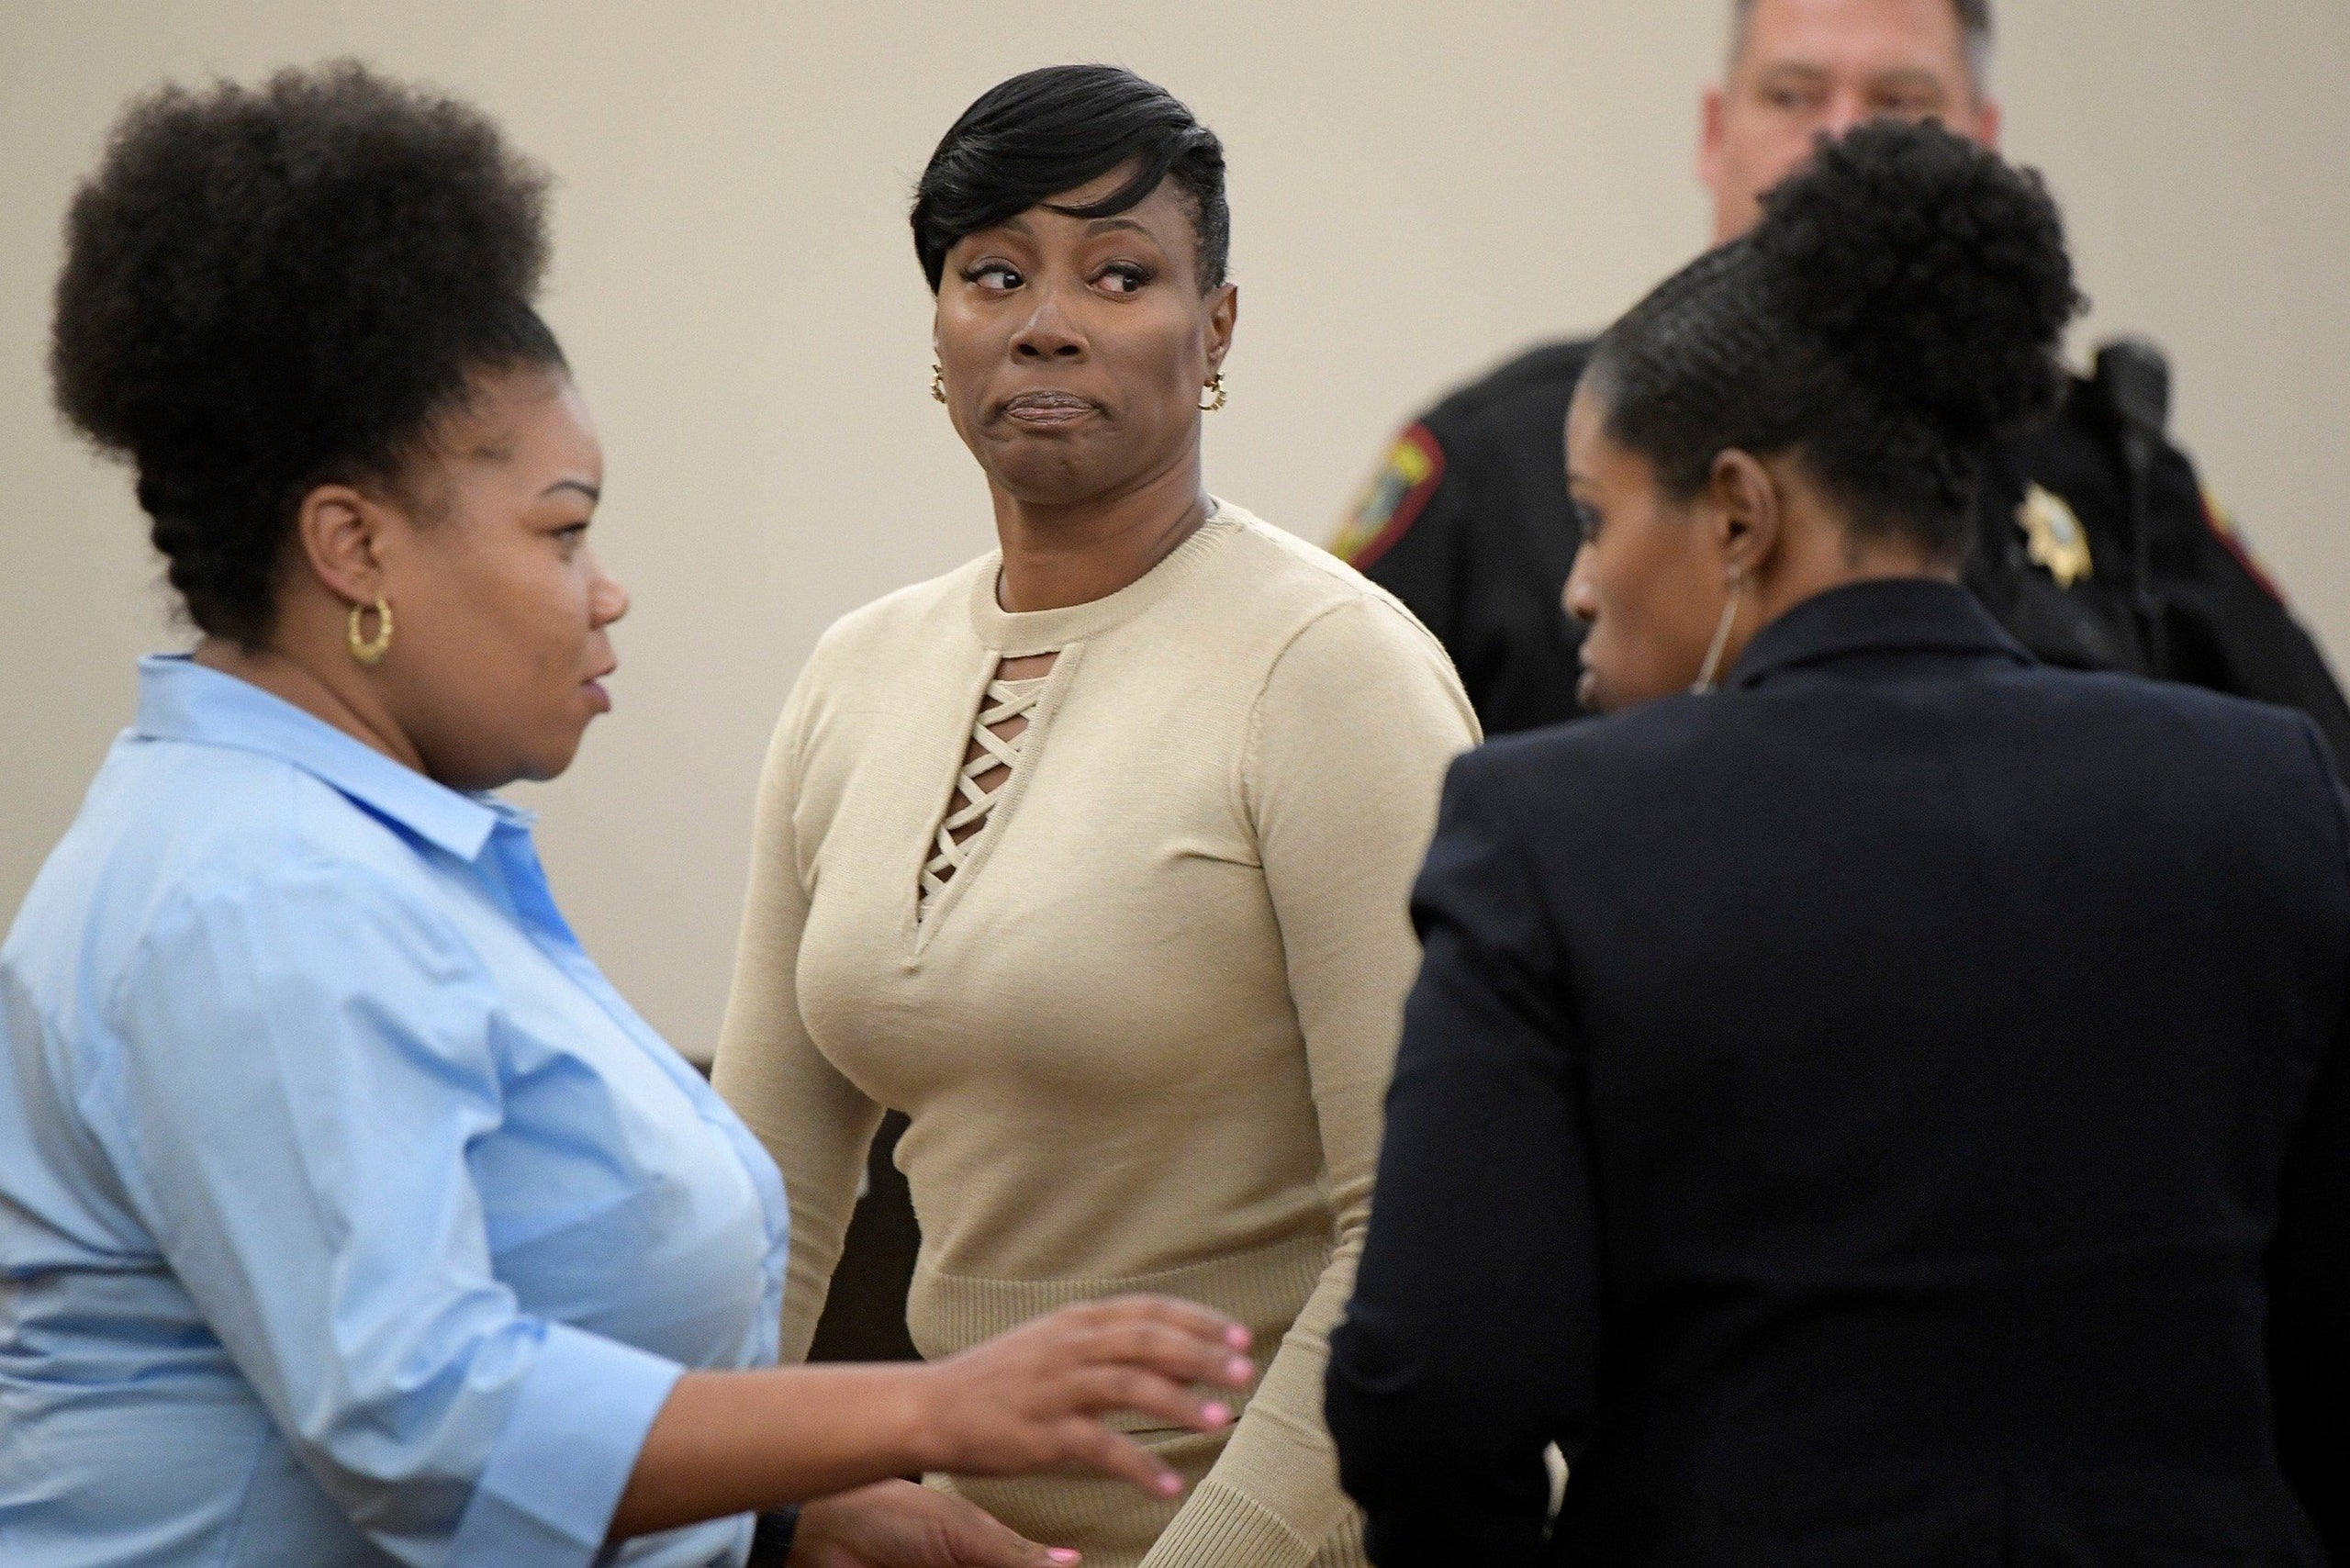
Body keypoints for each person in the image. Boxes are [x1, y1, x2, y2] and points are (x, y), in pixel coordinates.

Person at [0, 63, 1258, 1568]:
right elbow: (421, 1420)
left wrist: (787, 1510)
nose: (604, 593)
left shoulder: (351, 850)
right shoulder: (261, 892)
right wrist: (926, 1412)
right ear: (354, 548)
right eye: (562, 532)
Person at [1323, 120, 2349, 1565]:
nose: (1575, 587)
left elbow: (1435, 1390)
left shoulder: (1553, 835)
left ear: (1740, 513)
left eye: (1595, 519)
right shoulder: (2263, 793)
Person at [711, 64, 1478, 1568]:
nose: (1046, 321)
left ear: (1217, 328)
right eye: (994, 273)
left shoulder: (1333, 671)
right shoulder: (856, 672)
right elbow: (764, 1199)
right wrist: (757, 1507)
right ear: (939, 328)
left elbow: (1427, 1238)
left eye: (1119, 275)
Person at [1332, 0, 2350, 756]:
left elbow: (2312, 794)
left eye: (1900, 101)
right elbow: (1323, 780)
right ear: (1713, 133)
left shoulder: (2111, 473)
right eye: (1792, 94)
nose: (1838, 138)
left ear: (1982, 143)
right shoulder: (1496, 462)